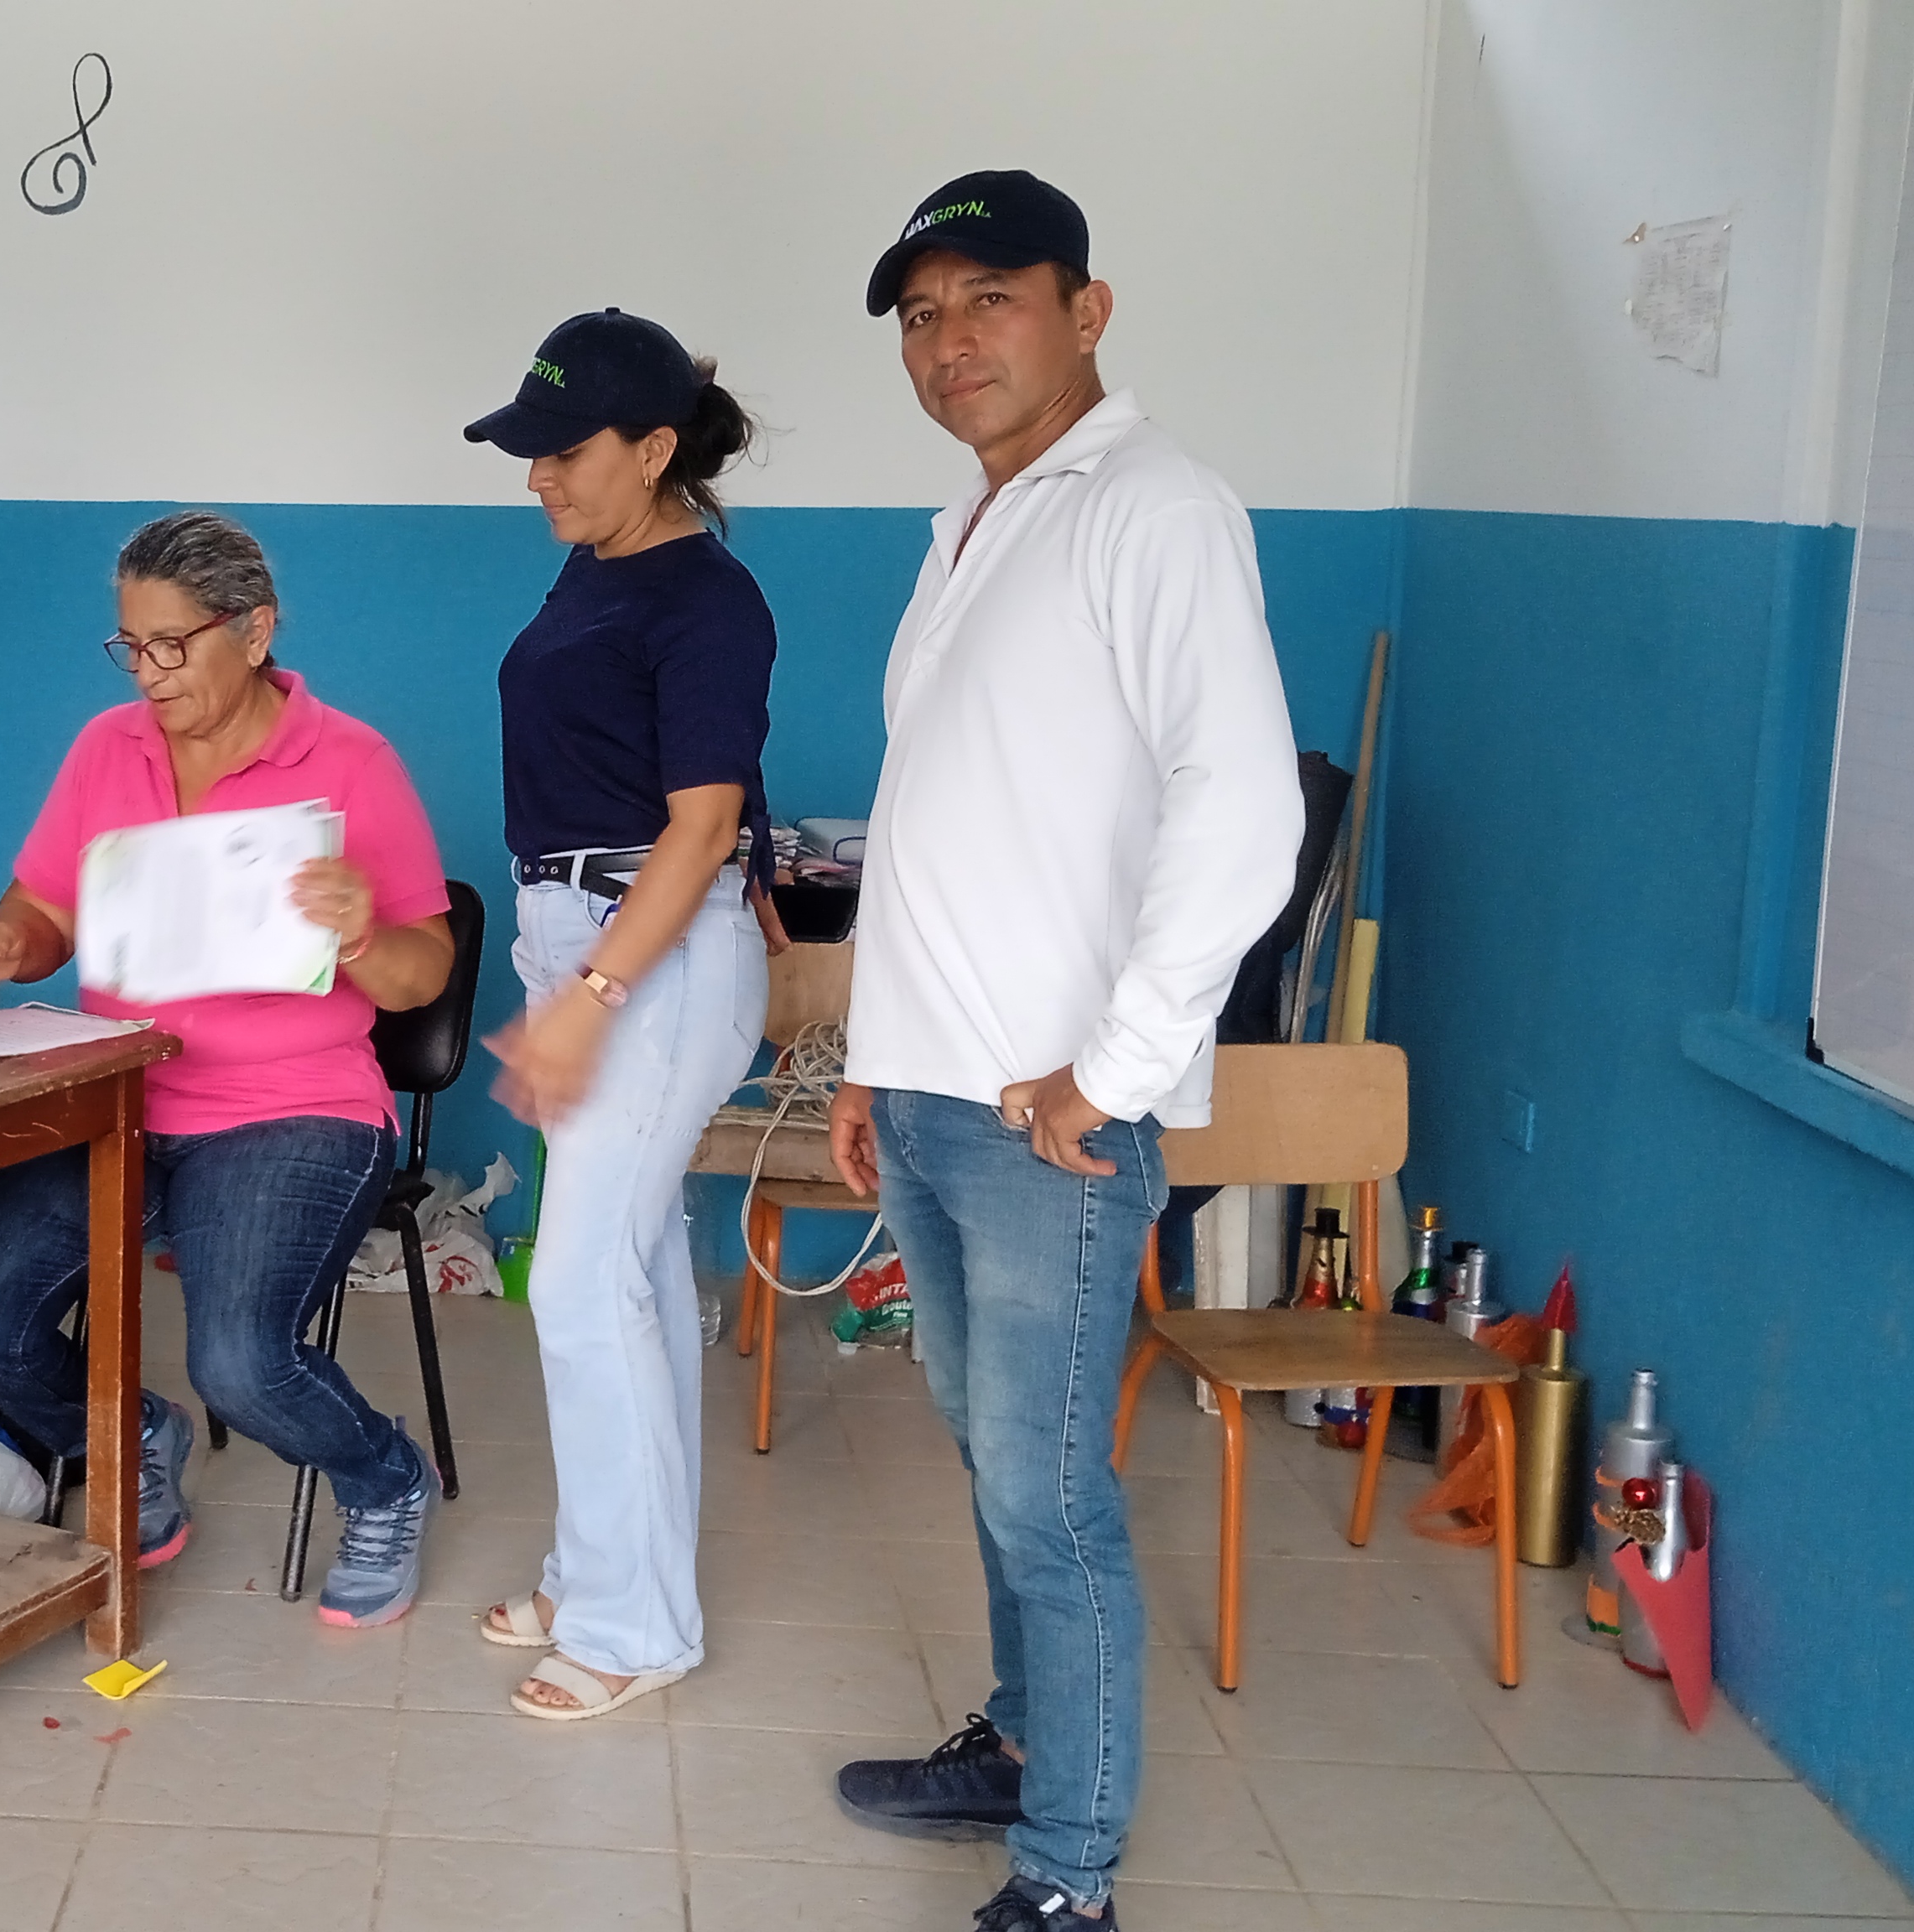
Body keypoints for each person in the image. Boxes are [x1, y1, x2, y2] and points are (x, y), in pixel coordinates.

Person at [824, 172, 1302, 1930]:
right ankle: (1024, 1741)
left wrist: (1113, 1068)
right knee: (994, 1459)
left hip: (1052, 1124)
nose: (948, 342)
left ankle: (1069, 1873)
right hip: (938, 1092)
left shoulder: (1154, 507)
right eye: (919, 315)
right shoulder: (974, 523)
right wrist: (871, 1057)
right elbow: (942, 820)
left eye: (988, 299)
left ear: (1085, 312)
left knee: (1049, 1496)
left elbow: (1243, 808)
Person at [0, 511, 459, 1628]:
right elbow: (44, 908)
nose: (149, 673)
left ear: (254, 632)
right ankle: (130, 1435)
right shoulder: (105, 749)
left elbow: (420, 978)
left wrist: (363, 929)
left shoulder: (352, 762)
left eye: (174, 644)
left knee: (242, 1364)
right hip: (120, 1093)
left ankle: (384, 1477)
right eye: (131, 646)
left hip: (293, 1108)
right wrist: (12, 943)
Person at [461, 309, 782, 1722]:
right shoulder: (592, 567)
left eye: (564, 451)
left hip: (651, 955)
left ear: (655, 450)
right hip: (579, 933)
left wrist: (592, 998)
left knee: (583, 1285)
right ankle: (601, 1574)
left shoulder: (709, 599)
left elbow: (703, 823)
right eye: (528, 451)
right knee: (629, 1271)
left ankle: (636, 1626)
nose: (537, 475)